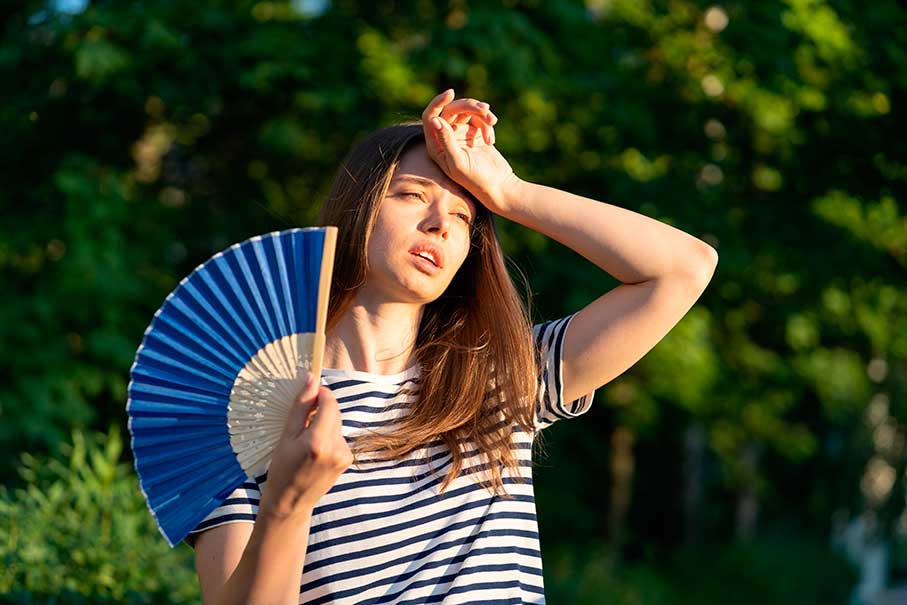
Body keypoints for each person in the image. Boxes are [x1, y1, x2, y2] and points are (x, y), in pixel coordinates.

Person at [187, 89, 718, 604]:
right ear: (357, 209)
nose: (441, 224)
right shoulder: (253, 412)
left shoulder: (501, 380)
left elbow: (682, 270)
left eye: (464, 216)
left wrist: (508, 194)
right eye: (413, 194)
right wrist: (287, 501)